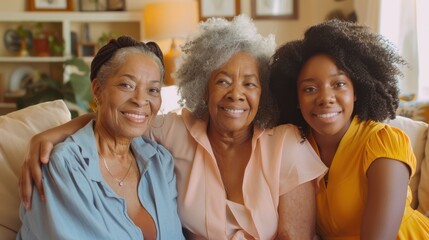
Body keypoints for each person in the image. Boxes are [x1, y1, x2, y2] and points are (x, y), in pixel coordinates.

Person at [20, 15, 327, 239]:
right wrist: (52, 132)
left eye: (250, 83)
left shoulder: (286, 143)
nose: (236, 94)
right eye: (222, 81)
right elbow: (124, 121)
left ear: (264, 92)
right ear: (202, 88)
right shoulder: (174, 134)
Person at [269, 19, 429, 239]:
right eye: (310, 88)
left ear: (356, 91)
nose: (325, 98)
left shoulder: (383, 141)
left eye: (339, 84)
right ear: (296, 99)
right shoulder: (298, 147)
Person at [17, 36, 184, 239]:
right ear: (97, 89)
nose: (141, 100)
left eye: (153, 90)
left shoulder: (160, 161)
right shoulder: (64, 165)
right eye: (127, 85)